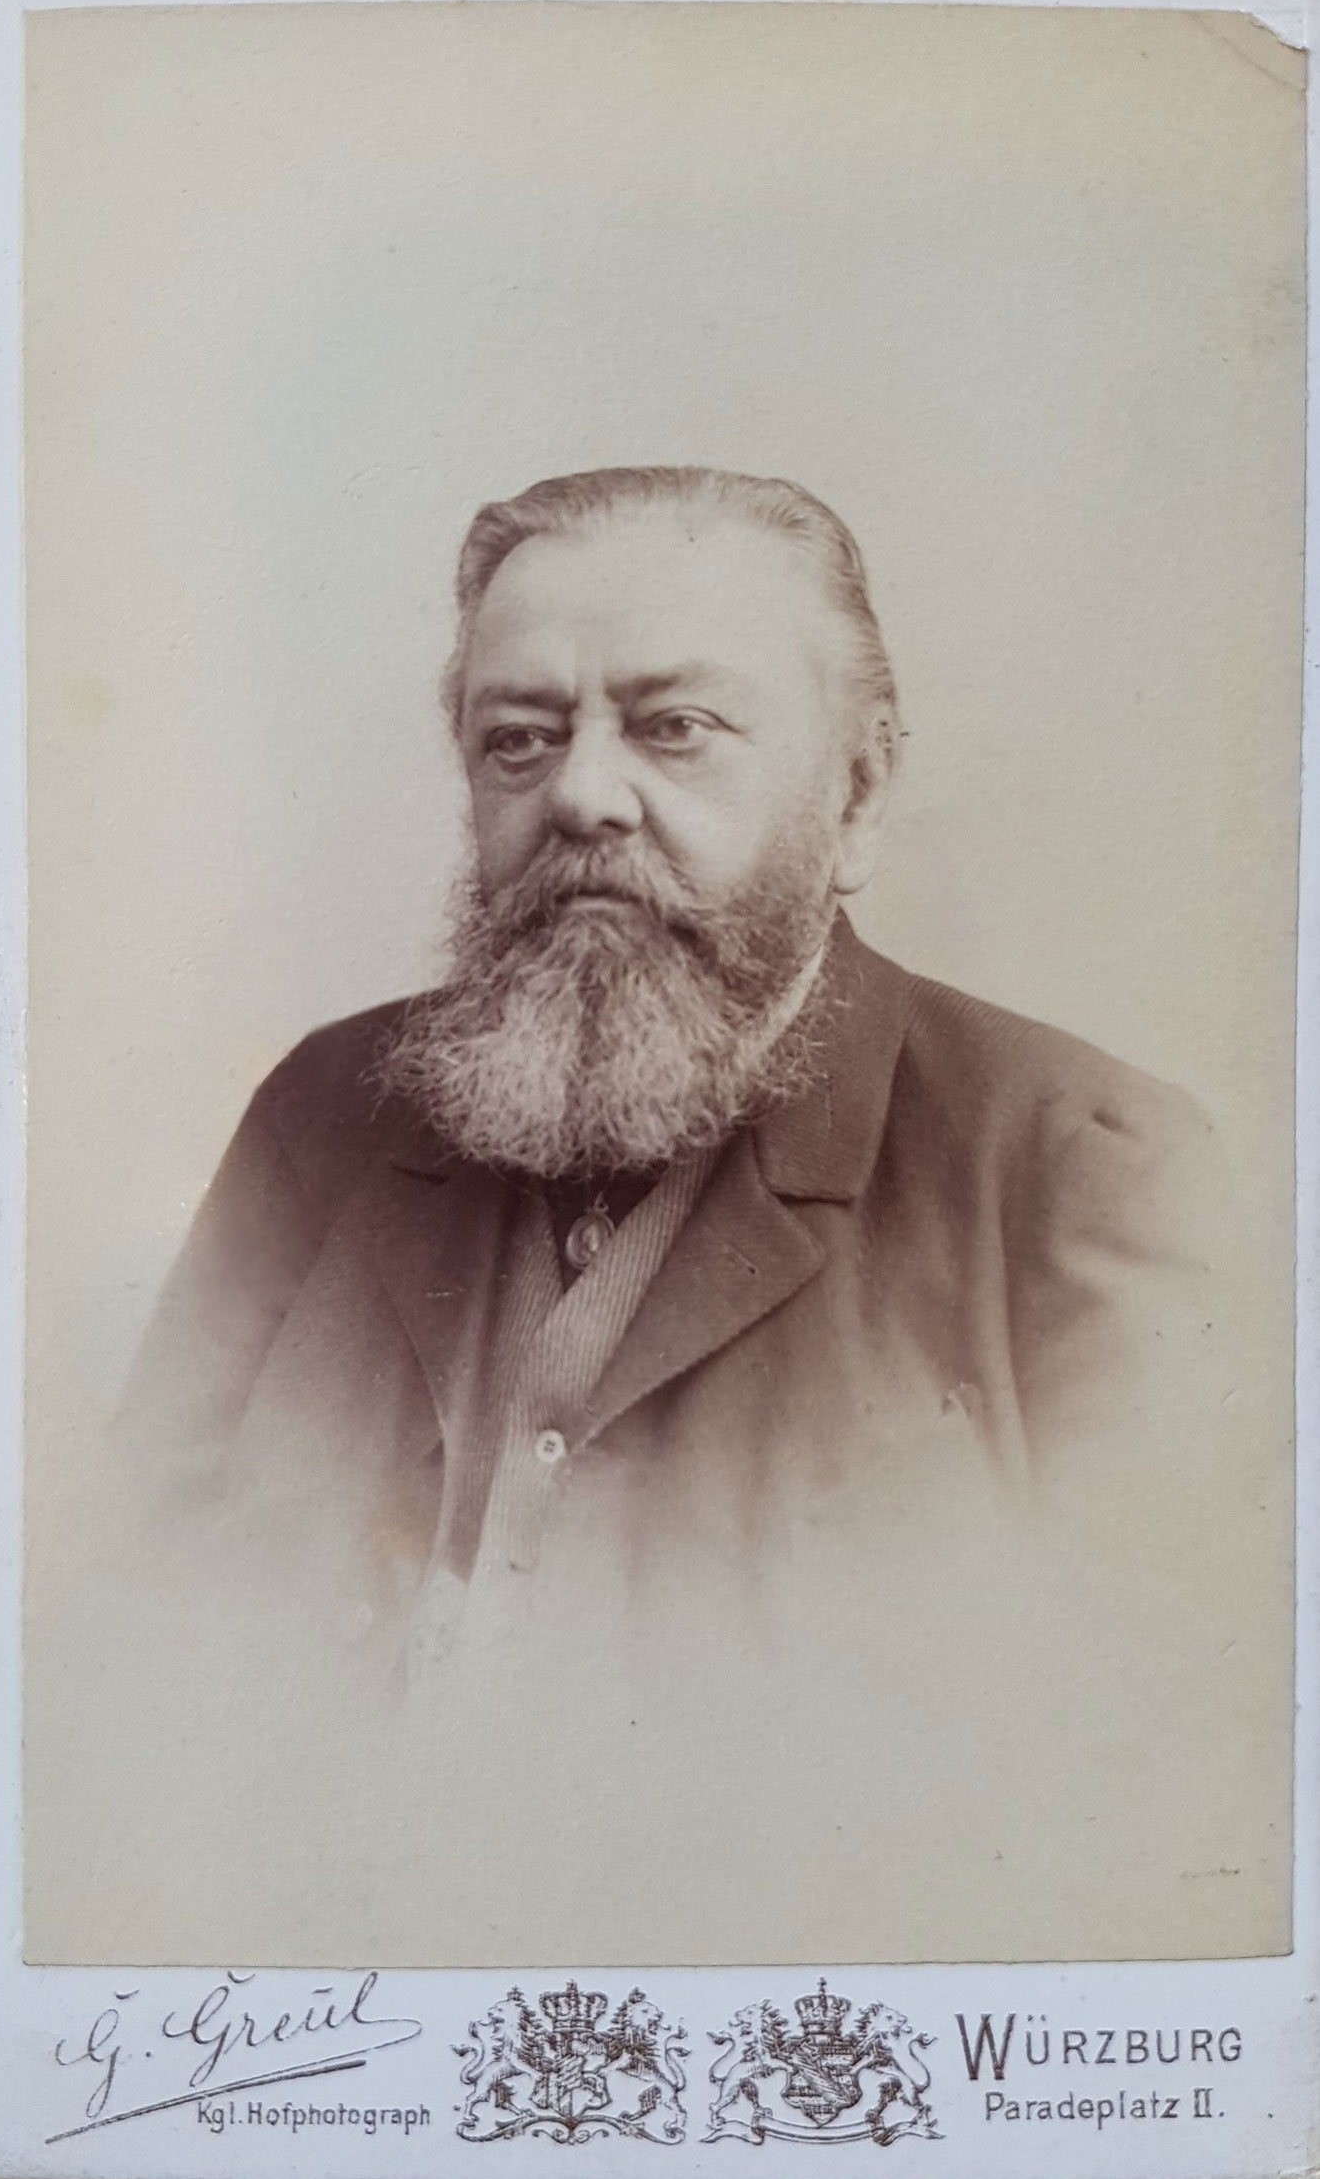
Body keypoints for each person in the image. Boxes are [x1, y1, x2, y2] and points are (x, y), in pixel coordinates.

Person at [90, 466, 1272, 1965]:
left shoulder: (1082, 1166)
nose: (581, 794)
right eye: (520, 739)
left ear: (857, 793)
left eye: (676, 727)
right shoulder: (325, 1113)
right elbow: (121, 1663)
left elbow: (1165, 1802)